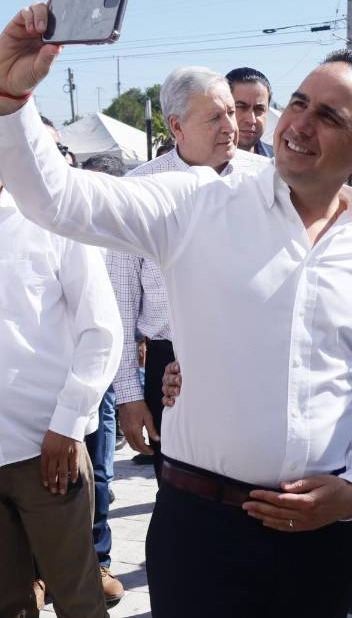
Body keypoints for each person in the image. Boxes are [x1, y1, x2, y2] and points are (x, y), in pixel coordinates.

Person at [0, 0, 352, 617]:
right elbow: (59, 199)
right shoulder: (196, 203)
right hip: (202, 533)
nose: (299, 124)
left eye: (329, 117)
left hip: (322, 540)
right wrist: (9, 97)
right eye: (298, 102)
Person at [0, 84, 122, 617]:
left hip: (46, 448)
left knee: (78, 598)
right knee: (2, 603)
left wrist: (68, 425)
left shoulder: (52, 220)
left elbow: (101, 330)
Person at [108, 66, 272, 490]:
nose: (231, 126)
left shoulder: (268, 180)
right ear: (176, 126)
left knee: (256, 487)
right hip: (170, 368)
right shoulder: (139, 190)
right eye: (215, 117)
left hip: (256, 357)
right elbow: (119, 302)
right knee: (183, 491)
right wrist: (129, 395)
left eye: (231, 113)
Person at [226, 66, 274, 157]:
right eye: (241, 107)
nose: (251, 120)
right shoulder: (199, 160)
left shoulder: (278, 162)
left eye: (259, 109)